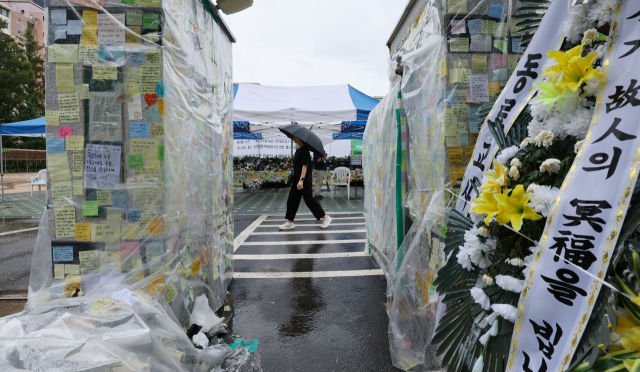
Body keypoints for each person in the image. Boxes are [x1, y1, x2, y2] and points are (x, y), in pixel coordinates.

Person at [280, 135, 332, 230]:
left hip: (303, 180)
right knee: (292, 200)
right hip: (297, 179)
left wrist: (301, 180)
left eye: (295, 136)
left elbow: (305, 166)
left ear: (301, 138)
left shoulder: (304, 150)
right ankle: (289, 222)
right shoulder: (299, 149)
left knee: (309, 200)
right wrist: (290, 166)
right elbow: (299, 165)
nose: (294, 138)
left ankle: (325, 217)